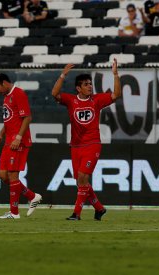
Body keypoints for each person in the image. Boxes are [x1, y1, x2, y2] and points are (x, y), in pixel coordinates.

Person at [51, 59, 122, 221]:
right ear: (78, 88)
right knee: (79, 181)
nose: (90, 86)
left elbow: (116, 95)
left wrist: (116, 75)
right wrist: (63, 75)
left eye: (90, 84)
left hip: (92, 144)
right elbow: (54, 94)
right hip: (75, 146)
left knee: (83, 177)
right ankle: (99, 208)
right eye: (86, 84)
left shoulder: (96, 100)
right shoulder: (71, 100)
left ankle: (76, 213)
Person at [0, 73, 42, 219]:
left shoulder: (19, 94)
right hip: (8, 140)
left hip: (18, 141)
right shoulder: (6, 97)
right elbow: (9, 120)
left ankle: (14, 213)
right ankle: (32, 196)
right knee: (2, 175)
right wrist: (1, 134)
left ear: (5, 83)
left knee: (13, 176)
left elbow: (27, 117)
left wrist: (18, 138)